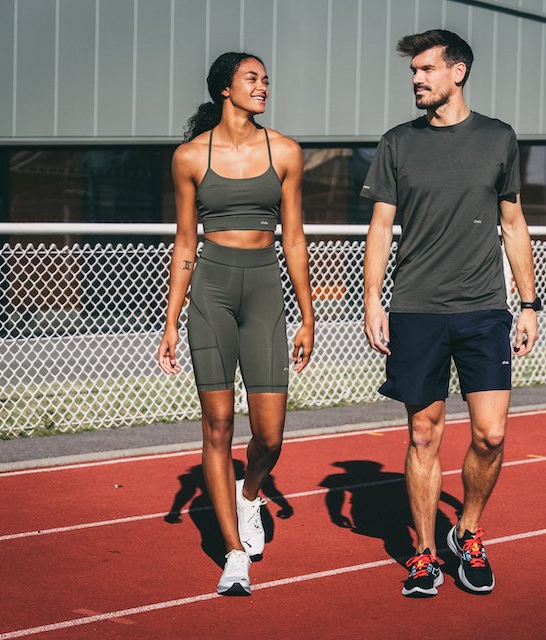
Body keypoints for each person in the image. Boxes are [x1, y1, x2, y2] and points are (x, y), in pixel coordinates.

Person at [361, 29, 540, 598]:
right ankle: (422, 553)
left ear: (457, 72)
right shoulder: (397, 143)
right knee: (423, 435)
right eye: (413, 72)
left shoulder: (498, 138)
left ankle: (466, 530)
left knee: (490, 435)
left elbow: (513, 223)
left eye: (427, 70)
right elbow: (382, 227)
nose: (416, 79)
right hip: (417, 309)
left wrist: (529, 303)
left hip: (485, 308)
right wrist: (372, 300)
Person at [157, 51, 314, 596]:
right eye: (252, 79)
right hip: (211, 294)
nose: (263, 87)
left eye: (267, 79)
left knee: (269, 435)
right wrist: (172, 319)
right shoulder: (189, 158)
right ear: (225, 88)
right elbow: (184, 243)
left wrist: (307, 315)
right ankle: (233, 553)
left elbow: (293, 239)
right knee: (218, 425)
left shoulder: (287, 151)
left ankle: (251, 494)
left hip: (266, 293)